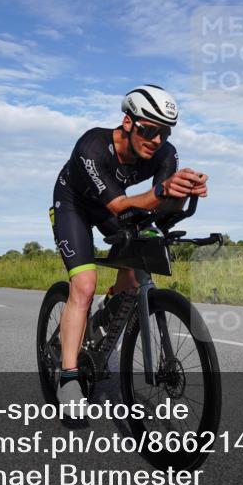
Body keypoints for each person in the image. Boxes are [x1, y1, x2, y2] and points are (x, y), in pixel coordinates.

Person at [50, 85, 208, 406]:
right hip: (75, 205)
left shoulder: (165, 153)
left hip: (117, 203)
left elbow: (159, 206)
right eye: (149, 130)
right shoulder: (91, 147)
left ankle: (103, 326)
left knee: (136, 272)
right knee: (84, 284)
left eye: (164, 131)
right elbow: (121, 205)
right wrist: (164, 191)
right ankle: (68, 379)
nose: (157, 140)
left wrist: (183, 193)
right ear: (128, 122)